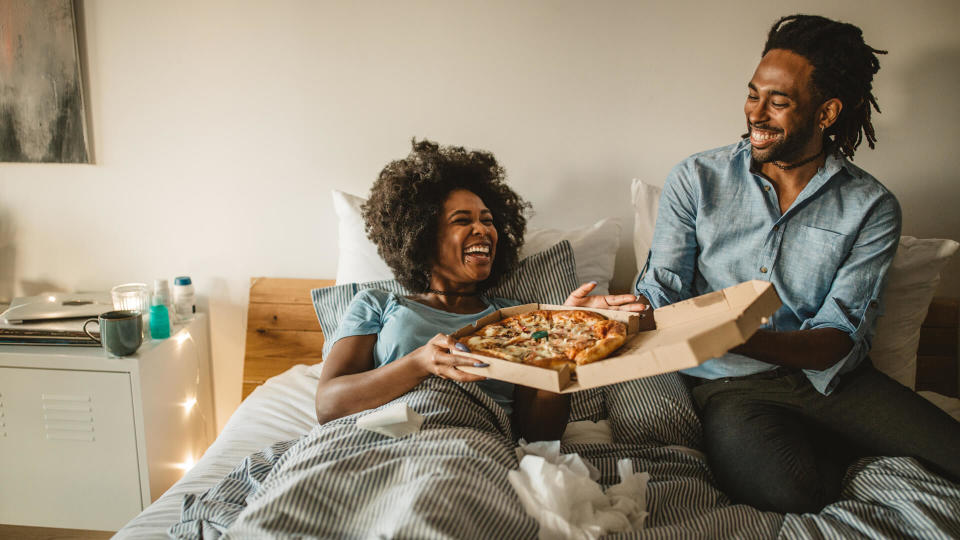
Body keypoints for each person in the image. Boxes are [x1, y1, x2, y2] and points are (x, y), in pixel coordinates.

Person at [633, 14, 960, 513]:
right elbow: (662, 289)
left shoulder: (871, 207)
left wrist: (740, 333)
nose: (756, 114)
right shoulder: (696, 179)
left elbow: (837, 336)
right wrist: (627, 314)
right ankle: (828, 451)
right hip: (732, 386)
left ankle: (836, 441)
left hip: (833, 381)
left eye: (778, 102)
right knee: (788, 494)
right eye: (753, 94)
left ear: (826, 113)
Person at [315, 139, 645, 442]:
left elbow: (539, 435)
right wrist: (420, 362)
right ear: (423, 237)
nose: (483, 230)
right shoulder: (377, 303)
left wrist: (564, 335)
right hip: (372, 440)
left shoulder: (520, 321)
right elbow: (329, 406)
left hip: (471, 445)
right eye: (462, 221)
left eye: (488, 220)